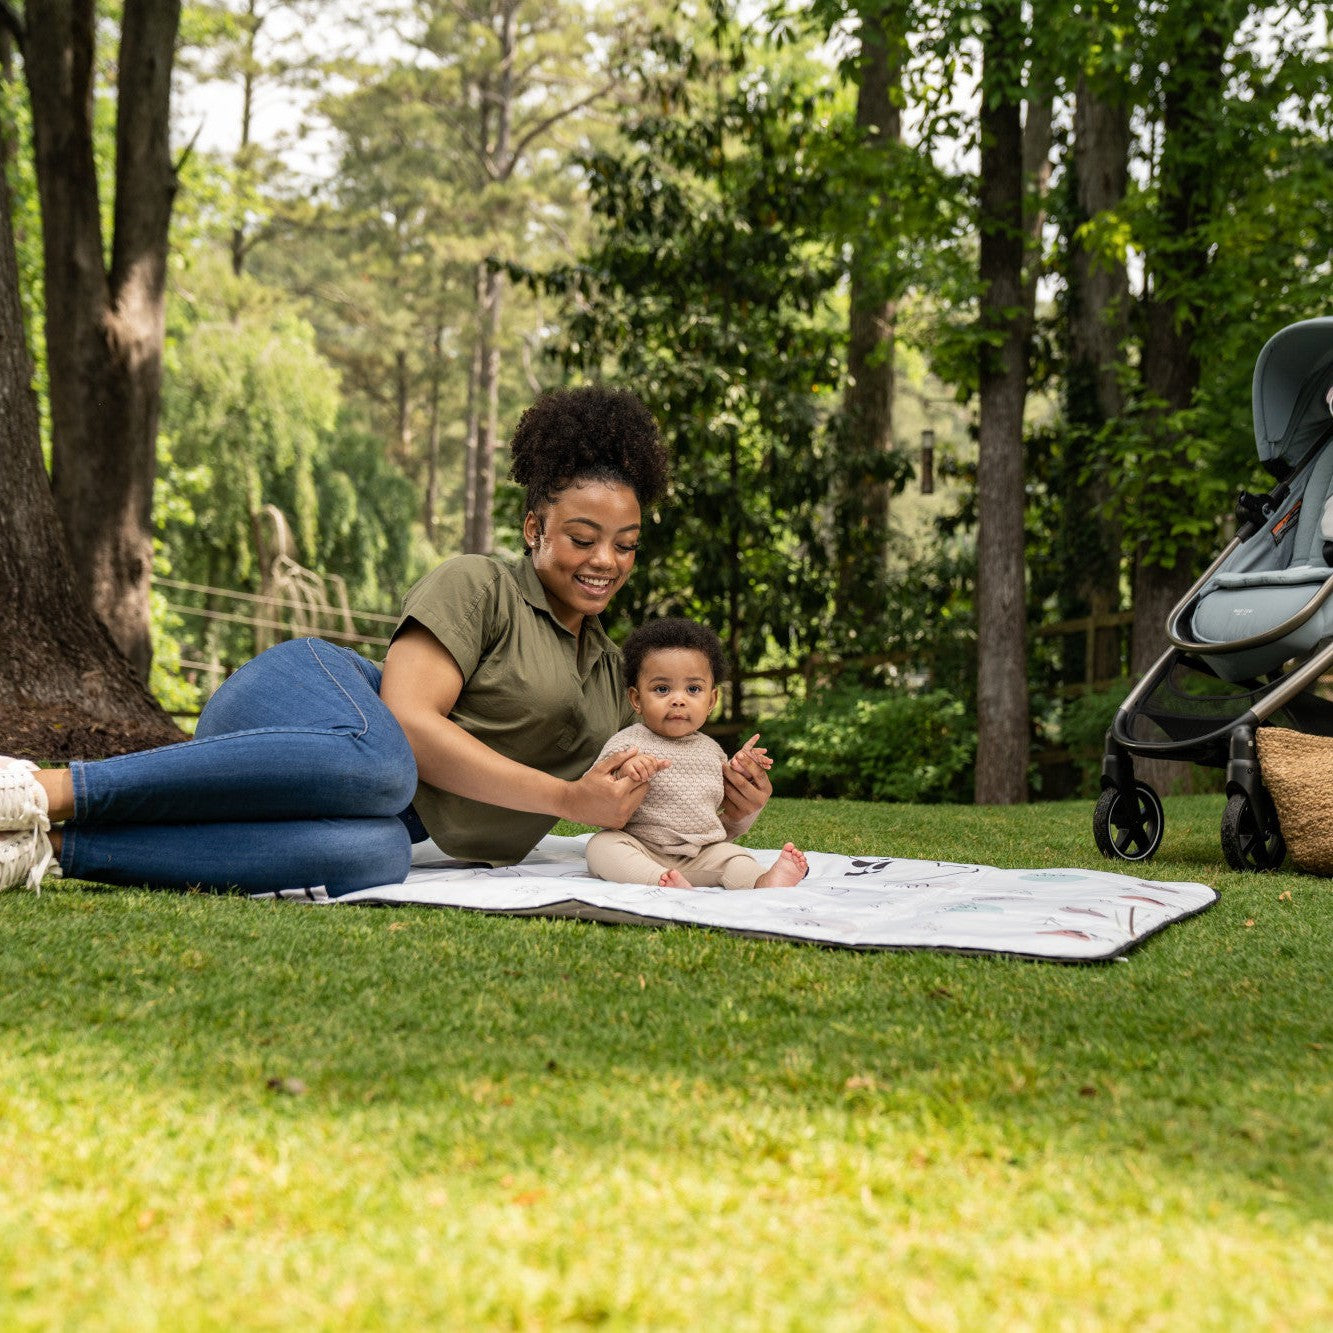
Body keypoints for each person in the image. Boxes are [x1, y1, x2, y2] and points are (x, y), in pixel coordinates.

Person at [0, 386, 774, 898]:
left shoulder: (616, 677)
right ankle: (43, 788)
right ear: (535, 527)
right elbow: (404, 718)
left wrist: (728, 815)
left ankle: (49, 852)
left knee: (375, 858)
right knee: (384, 760)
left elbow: (632, 807)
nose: (605, 560)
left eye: (626, 544)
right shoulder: (480, 584)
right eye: (582, 536)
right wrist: (568, 798)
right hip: (309, 706)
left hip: (371, 801)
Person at [584, 617, 808, 890]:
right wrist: (625, 772)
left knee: (732, 858)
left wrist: (744, 771)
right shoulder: (627, 743)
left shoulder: (713, 751)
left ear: (711, 700)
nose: (678, 699)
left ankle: (764, 881)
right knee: (601, 847)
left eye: (693, 689)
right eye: (662, 689)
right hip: (640, 846)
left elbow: (728, 802)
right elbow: (594, 791)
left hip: (701, 853)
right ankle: (658, 880)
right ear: (636, 699)